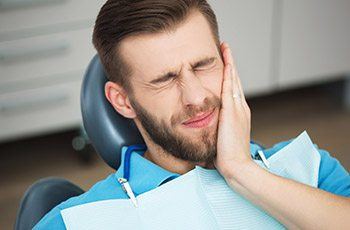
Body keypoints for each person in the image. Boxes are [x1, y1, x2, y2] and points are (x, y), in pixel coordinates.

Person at [35, 0, 350, 229]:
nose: (196, 97)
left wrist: (243, 172)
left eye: (203, 65)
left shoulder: (310, 167)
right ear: (123, 101)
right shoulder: (76, 222)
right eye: (165, 80)